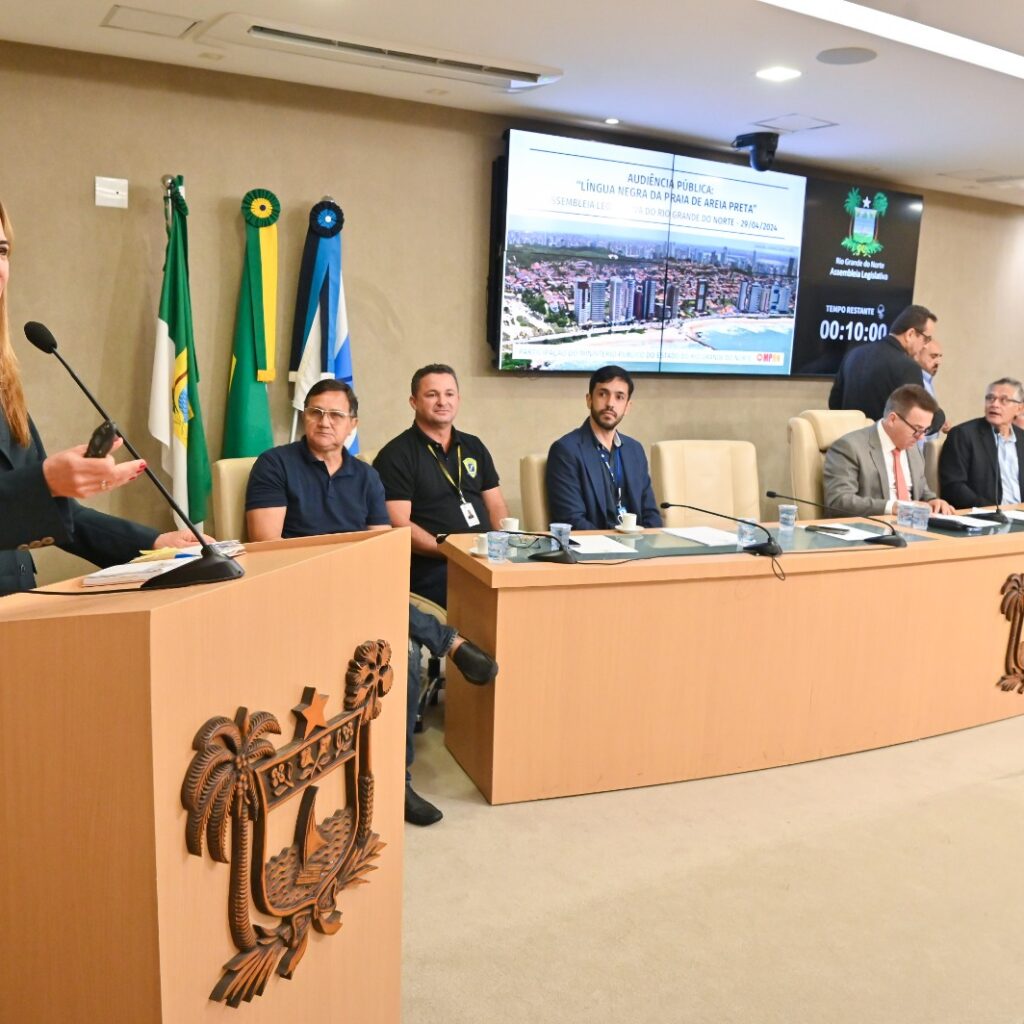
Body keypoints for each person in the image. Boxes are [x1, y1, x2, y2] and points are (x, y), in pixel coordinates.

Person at [245, 379, 497, 827]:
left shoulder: (365, 475)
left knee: (403, 652)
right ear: (304, 417)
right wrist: (337, 565)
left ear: (352, 425)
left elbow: (382, 548)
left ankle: (396, 783)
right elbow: (268, 546)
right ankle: (451, 643)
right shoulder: (274, 464)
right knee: (404, 629)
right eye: (316, 412)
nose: (325, 422)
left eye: (336, 415)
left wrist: (357, 574)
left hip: (355, 586)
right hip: (294, 589)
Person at [0, 198, 195, 594]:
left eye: (1, 251)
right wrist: (47, 480)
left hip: (16, 607)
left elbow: (52, 512)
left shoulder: (4, 381)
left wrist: (153, 545)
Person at [373, 364, 508, 608]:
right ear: (413, 401)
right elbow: (398, 524)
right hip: (436, 565)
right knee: (486, 599)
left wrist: (501, 543)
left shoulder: (474, 446)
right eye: (432, 394)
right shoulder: (396, 455)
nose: (442, 401)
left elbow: (496, 504)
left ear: (458, 399)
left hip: (486, 557)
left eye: (449, 394)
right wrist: (454, 551)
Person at [546, 364, 661, 530]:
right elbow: (571, 519)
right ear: (589, 399)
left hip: (637, 547)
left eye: (619, 397)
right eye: (602, 394)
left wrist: (650, 547)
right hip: (594, 550)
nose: (610, 404)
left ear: (627, 407)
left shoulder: (634, 450)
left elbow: (651, 514)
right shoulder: (566, 450)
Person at [823, 384, 955, 517]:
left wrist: (933, 501)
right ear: (892, 419)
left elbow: (922, 492)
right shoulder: (849, 447)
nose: (921, 437)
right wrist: (893, 507)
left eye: (925, 430)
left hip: (913, 527)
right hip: (873, 530)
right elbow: (838, 501)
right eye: (917, 429)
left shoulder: (913, 447)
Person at [829, 304, 945, 431]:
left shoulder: (853, 355)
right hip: (881, 446)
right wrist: (940, 418)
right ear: (910, 334)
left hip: (847, 441)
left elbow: (834, 403)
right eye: (926, 339)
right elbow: (917, 417)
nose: (925, 345)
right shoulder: (908, 367)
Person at [939, 378, 1024, 509]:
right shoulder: (962, 435)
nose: (994, 404)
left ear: (1019, 408)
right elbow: (953, 486)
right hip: (984, 516)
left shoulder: (1022, 437)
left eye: (1004, 400)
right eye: (990, 398)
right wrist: (993, 510)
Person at [915, 337, 951, 438]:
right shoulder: (915, 381)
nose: (938, 362)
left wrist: (939, 423)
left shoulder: (928, 381)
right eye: (933, 356)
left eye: (940, 356)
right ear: (918, 354)